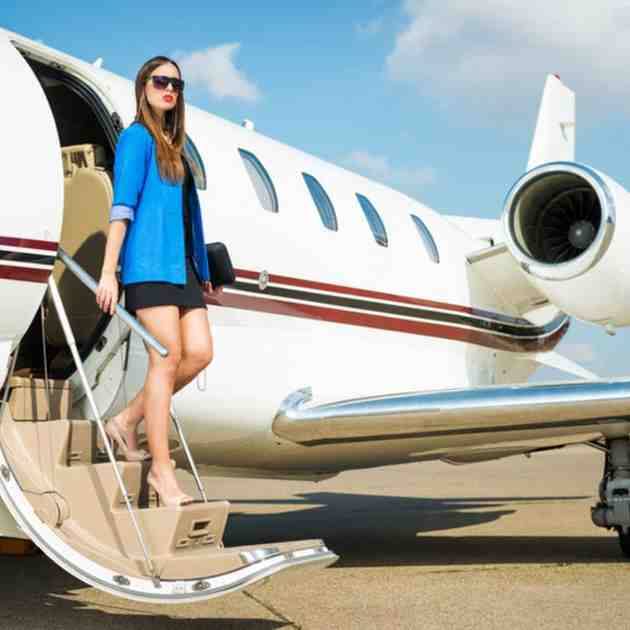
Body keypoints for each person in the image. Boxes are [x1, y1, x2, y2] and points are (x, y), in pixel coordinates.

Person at [96, 55, 222, 507]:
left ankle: (125, 420)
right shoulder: (136, 138)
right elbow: (122, 207)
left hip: (182, 267)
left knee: (200, 353)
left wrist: (203, 269)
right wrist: (109, 271)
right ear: (143, 87)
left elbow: (184, 216)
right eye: (161, 81)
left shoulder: (174, 145)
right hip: (148, 265)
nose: (169, 89)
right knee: (165, 361)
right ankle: (162, 474)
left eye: (177, 84)